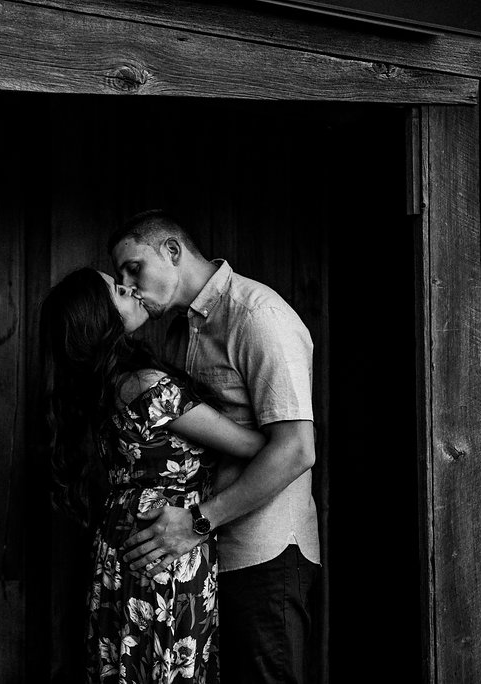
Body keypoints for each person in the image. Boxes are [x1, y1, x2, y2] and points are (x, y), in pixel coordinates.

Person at [109, 209, 319, 684]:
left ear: (172, 250)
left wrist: (199, 521)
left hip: (264, 554)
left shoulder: (257, 315)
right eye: (120, 277)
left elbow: (297, 450)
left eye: (133, 267)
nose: (130, 284)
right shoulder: (183, 330)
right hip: (208, 560)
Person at [39, 267, 268, 683]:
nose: (130, 288)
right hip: (165, 542)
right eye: (117, 291)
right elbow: (252, 447)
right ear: (100, 318)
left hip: (121, 539)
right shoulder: (149, 387)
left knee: (127, 664)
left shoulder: (101, 384)